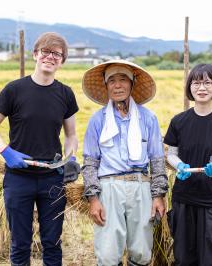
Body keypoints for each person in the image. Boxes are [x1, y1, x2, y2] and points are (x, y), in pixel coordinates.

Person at [0, 32, 80, 266]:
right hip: (18, 179)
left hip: (52, 179)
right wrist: (6, 151)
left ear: (62, 61)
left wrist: (70, 157)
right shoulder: (14, 90)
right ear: (35, 54)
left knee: (52, 242)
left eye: (57, 54)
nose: (50, 57)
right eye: (45, 52)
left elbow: (71, 134)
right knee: (20, 242)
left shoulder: (65, 94)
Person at [81, 60, 168, 266]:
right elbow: (90, 162)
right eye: (112, 80)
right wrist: (93, 199)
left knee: (141, 251)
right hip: (109, 188)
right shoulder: (98, 120)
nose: (117, 85)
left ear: (132, 84)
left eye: (123, 80)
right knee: (109, 253)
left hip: (141, 186)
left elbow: (157, 159)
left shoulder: (148, 118)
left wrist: (158, 195)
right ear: (106, 85)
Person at [164, 63, 212, 266]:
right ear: (189, 87)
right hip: (184, 198)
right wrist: (179, 165)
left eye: (207, 82)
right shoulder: (179, 121)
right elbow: (171, 154)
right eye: (196, 82)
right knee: (184, 257)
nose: (202, 88)